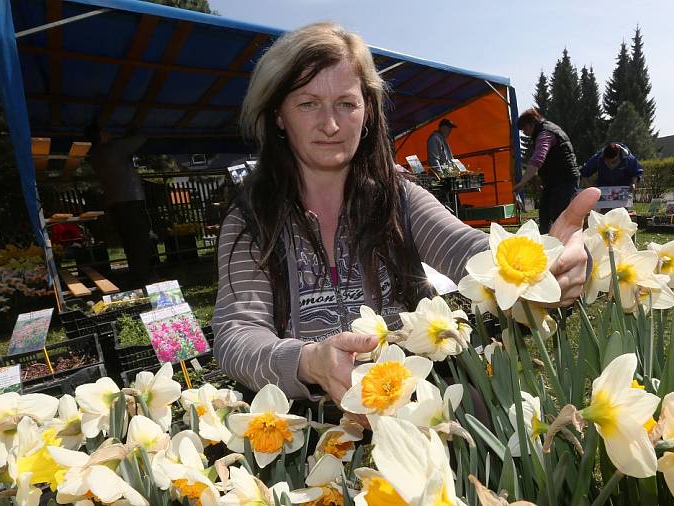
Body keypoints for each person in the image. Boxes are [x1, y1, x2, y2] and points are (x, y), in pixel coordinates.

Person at [212, 23, 597, 409]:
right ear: (278, 113)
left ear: (367, 112)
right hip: (311, 425)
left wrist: (545, 262)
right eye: (308, 103)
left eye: (346, 104)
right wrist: (308, 361)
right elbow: (237, 333)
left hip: (415, 402)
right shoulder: (251, 219)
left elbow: (471, 252)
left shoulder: (400, 199)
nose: (330, 125)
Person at [84, 124, 153, 288]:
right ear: (101, 135)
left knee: (129, 241)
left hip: (114, 202)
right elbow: (142, 137)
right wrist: (130, 130)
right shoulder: (114, 147)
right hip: (130, 199)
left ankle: (138, 276)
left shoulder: (94, 154)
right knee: (140, 240)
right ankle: (144, 278)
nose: (110, 132)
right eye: (106, 130)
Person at [511, 109, 580, 234]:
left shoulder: (545, 133)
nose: (524, 133)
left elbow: (538, 159)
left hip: (565, 180)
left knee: (558, 215)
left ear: (531, 124)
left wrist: (522, 182)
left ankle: (566, 245)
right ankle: (546, 244)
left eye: (524, 129)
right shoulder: (544, 131)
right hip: (553, 181)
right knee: (544, 215)